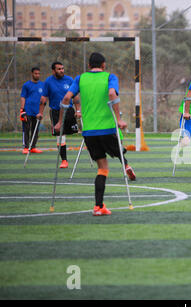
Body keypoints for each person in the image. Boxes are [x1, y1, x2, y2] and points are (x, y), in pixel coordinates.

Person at [55, 52, 135, 216]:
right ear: (103, 65)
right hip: (107, 128)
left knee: (102, 167)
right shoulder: (109, 77)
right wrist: (119, 119)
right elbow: (112, 94)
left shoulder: (80, 78)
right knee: (116, 153)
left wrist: (59, 122)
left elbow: (65, 99)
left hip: (89, 131)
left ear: (89, 65)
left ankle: (98, 207)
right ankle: (124, 166)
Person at [37, 61, 80, 168]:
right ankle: (64, 160)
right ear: (53, 71)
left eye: (62, 68)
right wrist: (40, 113)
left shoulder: (69, 80)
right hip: (56, 112)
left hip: (69, 111)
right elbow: (43, 99)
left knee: (76, 132)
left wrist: (78, 110)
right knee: (60, 135)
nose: (62, 71)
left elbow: (75, 96)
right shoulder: (48, 81)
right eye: (59, 69)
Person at [20, 67, 44, 154]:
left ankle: (33, 147)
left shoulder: (42, 85)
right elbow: (23, 97)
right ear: (32, 74)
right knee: (26, 129)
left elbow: (44, 98)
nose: (37, 75)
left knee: (35, 130)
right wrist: (22, 110)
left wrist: (41, 111)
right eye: (35, 73)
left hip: (37, 112)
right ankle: (26, 147)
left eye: (38, 73)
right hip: (28, 111)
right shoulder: (26, 85)